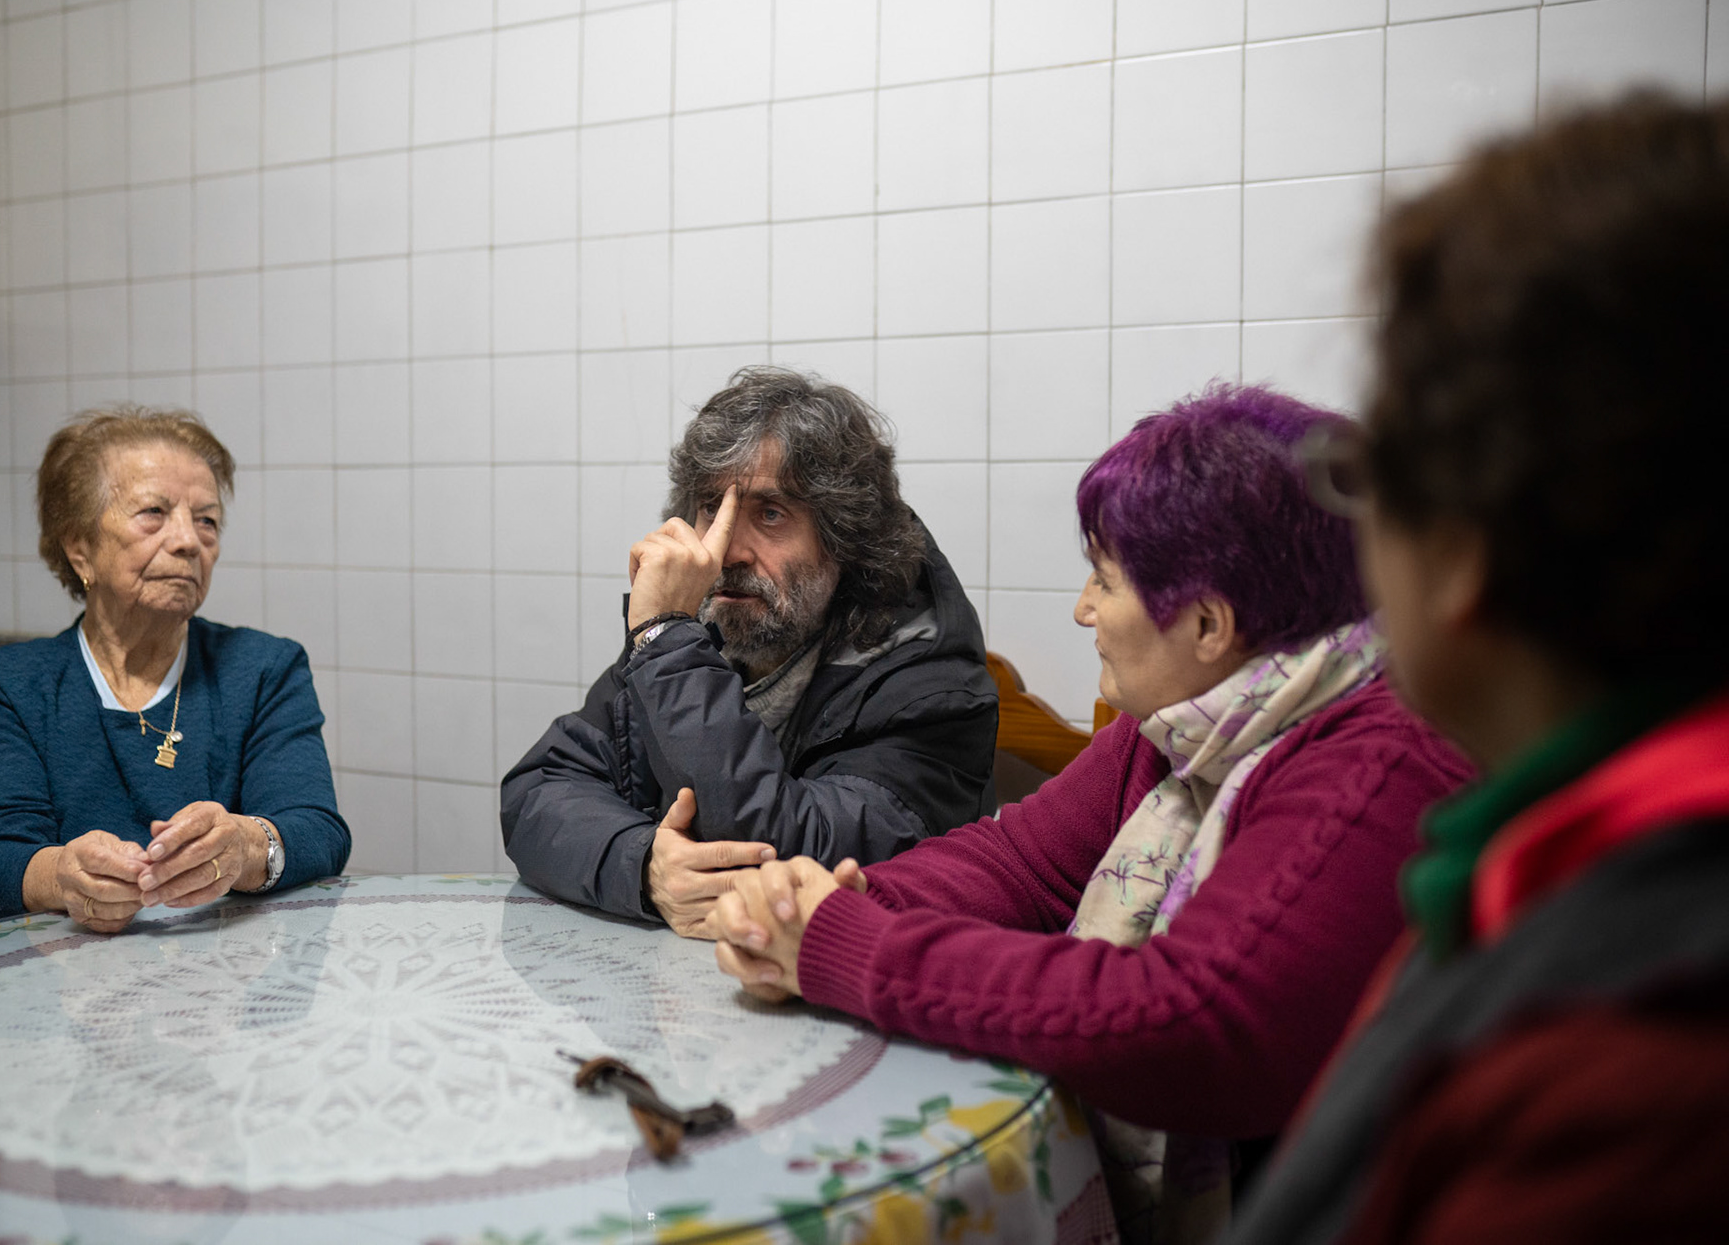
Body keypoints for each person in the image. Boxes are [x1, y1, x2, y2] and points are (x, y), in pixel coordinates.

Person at [710, 384, 1473, 1244]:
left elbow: (1181, 1026)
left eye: (1105, 582)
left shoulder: (1374, 765)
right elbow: (1020, 864)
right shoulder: (1188, 724)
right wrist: (838, 904)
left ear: (1211, 624)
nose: (1083, 611)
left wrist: (844, 946)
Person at [1228, 96, 1729, 1244]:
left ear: (1463, 550)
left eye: (1366, 468)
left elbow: (1207, 1013)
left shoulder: (1639, 1076)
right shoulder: (1555, 857)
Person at [501, 366, 998, 937]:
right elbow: (539, 789)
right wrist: (641, 864)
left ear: (845, 540)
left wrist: (663, 636)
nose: (727, 550)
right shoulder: (697, 631)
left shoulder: (930, 685)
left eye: (769, 514)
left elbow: (776, 853)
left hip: (844, 998)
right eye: (713, 508)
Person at [0, 407, 350, 928]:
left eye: (206, 520)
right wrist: (65, 875)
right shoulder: (6, 687)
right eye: (154, 513)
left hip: (230, 980)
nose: (187, 541)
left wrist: (246, 846)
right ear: (80, 548)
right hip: (62, 982)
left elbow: (318, 831)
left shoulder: (265, 668)